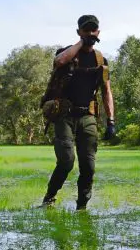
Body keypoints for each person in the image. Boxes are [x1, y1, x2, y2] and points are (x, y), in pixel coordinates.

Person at [41, 14, 116, 210]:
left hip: (87, 117)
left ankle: (82, 206)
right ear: (78, 32)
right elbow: (59, 61)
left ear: (98, 32)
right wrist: (81, 43)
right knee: (66, 162)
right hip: (64, 115)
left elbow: (106, 91)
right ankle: (49, 198)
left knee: (88, 166)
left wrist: (111, 121)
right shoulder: (67, 53)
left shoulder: (101, 60)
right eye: (86, 30)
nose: (90, 33)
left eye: (93, 30)